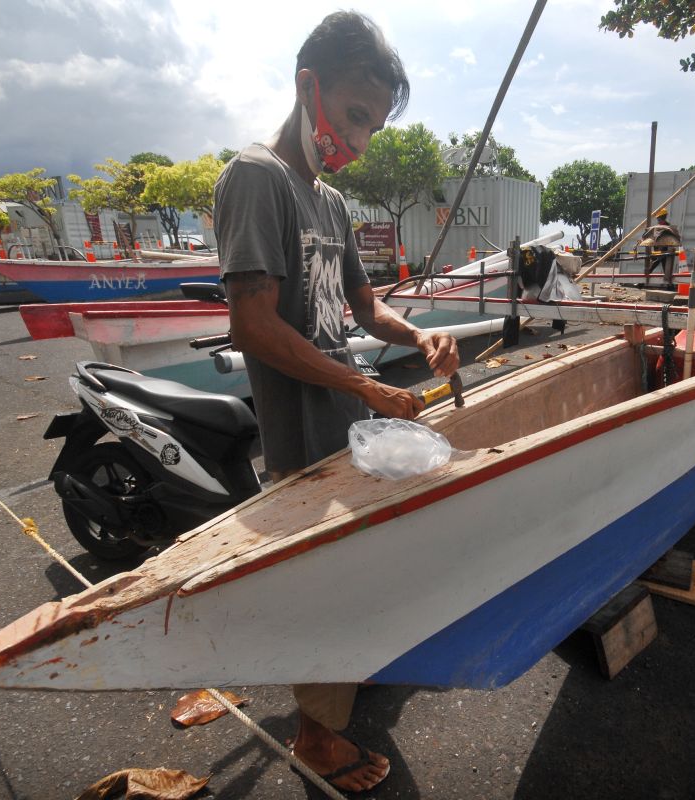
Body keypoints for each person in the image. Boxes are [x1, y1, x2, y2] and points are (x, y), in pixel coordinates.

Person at [213, 12, 459, 793]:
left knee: (363, 562)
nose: (359, 141)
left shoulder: (332, 204)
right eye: (354, 116)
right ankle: (316, 735)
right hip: (301, 432)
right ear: (307, 84)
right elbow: (252, 323)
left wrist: (418, 339)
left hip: (347, 425)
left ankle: (352, 673)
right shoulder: (256, 178)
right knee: (322, 582)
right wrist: (360, 383)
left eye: (373, 128)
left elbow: (363, 310)